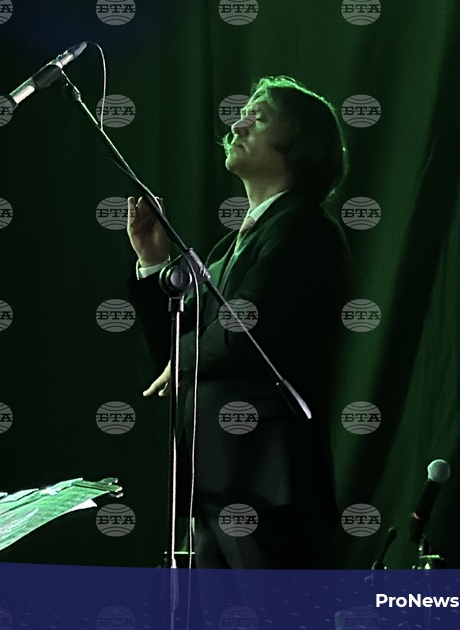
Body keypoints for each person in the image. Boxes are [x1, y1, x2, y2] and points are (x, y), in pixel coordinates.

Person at [127, 75, 350, 569]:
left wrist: (184, 358)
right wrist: (153, 262)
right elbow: (174, 353)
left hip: (267, 480)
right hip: (216, 483)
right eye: (242, 114)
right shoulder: (230, 248)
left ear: (302, 141)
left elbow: (241, 333)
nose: (238, 124)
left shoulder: (304, 226)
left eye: (259, 115)